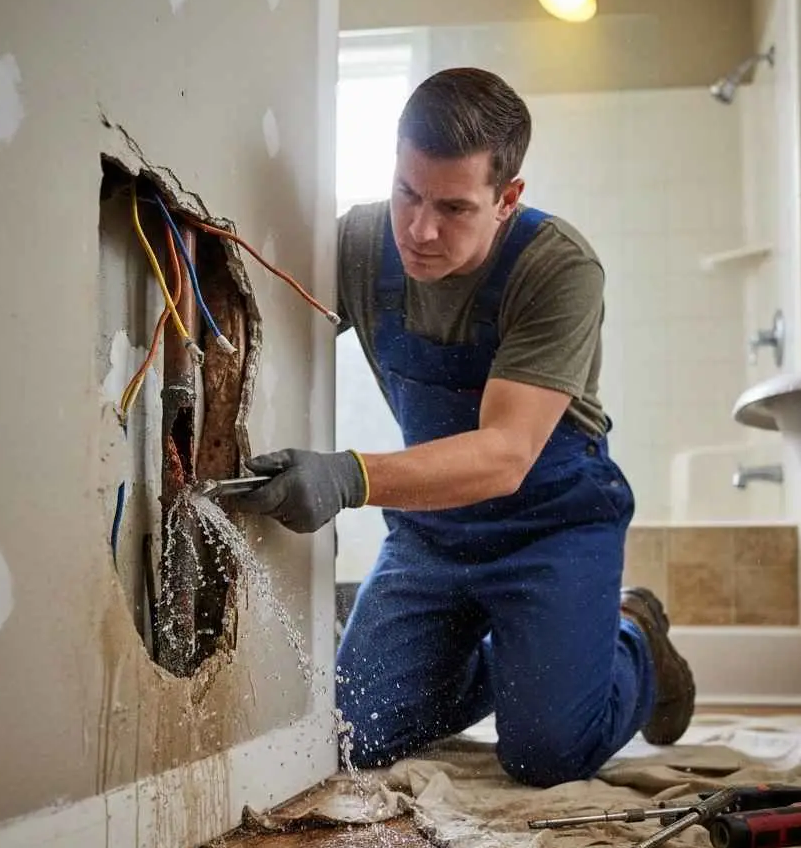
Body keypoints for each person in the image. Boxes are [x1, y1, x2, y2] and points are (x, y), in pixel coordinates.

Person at [234, 67, 695, 786]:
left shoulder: (557, 270)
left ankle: (634, 636)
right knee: (358, 734)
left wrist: (347, 476)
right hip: (434, 534)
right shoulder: (358, 245)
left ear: (507, 199)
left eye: (453, 207)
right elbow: (257, 319)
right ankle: (513, 656)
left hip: (550, 528)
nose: (419, 230)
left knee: (544, 754)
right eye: (406, 193)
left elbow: (506, 455)